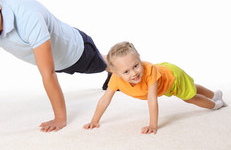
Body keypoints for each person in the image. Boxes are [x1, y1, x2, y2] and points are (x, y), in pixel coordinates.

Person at [0, 0, 111, 132]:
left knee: (106, 65)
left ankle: (119, 63)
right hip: (56, 61)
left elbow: (47, 72)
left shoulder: (28, 16)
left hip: (76, 51)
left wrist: (60, 118)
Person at [83, 41, 227, 134]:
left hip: (173, 79)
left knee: (190, 97)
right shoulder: (116, 79)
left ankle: (215, 104)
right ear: (116, 73)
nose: (134, 73)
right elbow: (105, 100)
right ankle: (214, 94)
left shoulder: (149, 71)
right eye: (126, 72)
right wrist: (94, 120)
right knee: (191, 87)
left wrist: (153, 125)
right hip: (165, 81)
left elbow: (152, 99)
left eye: (136, 66)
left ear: (139, 58)